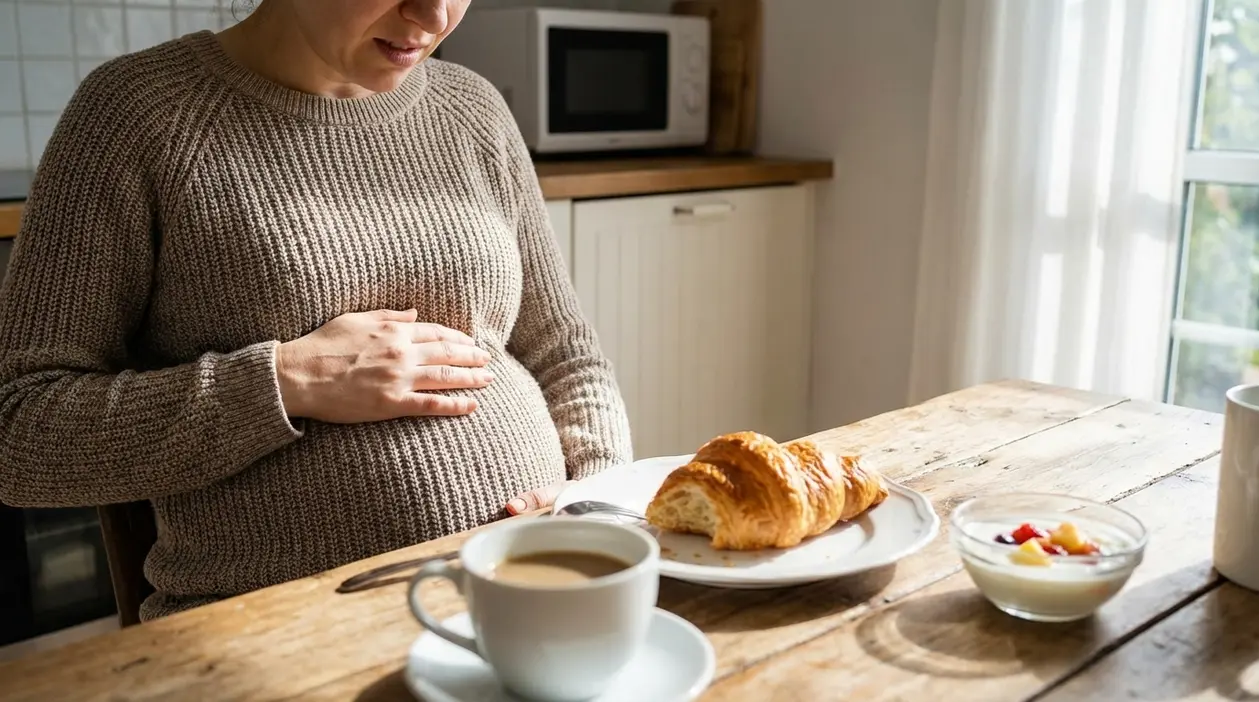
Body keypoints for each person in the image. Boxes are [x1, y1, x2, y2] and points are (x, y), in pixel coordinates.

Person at [0, 0, 632, 620]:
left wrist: (596, 501)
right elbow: (19, 433)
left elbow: (566, 353)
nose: (435, 17)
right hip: (285, 628)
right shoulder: (138, 114)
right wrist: (287, 380)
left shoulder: (472, 108)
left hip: (529, 592)